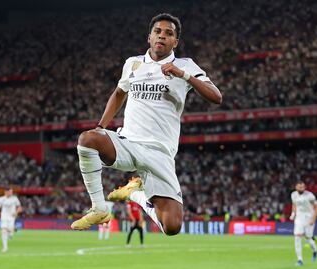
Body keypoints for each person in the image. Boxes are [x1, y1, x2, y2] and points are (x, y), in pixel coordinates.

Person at [71, 13, 222, 235]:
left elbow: (216, 97)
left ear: (175, 42)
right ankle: (99, 207)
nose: (162, 36)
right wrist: (101, 126)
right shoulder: (133, 64)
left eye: (168, 33)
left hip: (160, 153)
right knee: (88, 139)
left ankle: (135, 194)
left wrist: (184, 76)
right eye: (157, 32)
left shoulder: (185, 65)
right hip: (129, 142)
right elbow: (119, 93)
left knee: (171, 226)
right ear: (149, 37)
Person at [290, 182, 317, 266]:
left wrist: (313, 218)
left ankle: (315, 250)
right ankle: (300, 260)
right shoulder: (293, 195)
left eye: (302, 187)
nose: (301, 189)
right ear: (296, 187)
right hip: (299, 218)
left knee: (308, 238)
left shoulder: (310, 195)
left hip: (309, 217)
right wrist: (293, 214)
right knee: (297, 237)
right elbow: (294, 204)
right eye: (299, 187)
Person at [0, 186, 22, 253]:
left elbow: (20, 207)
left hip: (12, 217)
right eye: (10, 191)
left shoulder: (15, 199)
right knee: (3, 230)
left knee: (10, 231)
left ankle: (11, 233)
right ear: (6, 192)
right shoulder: (1, 199)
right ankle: (5, 247)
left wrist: (16, 212)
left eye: (12, 191)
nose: (11, 193)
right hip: (4, 216)